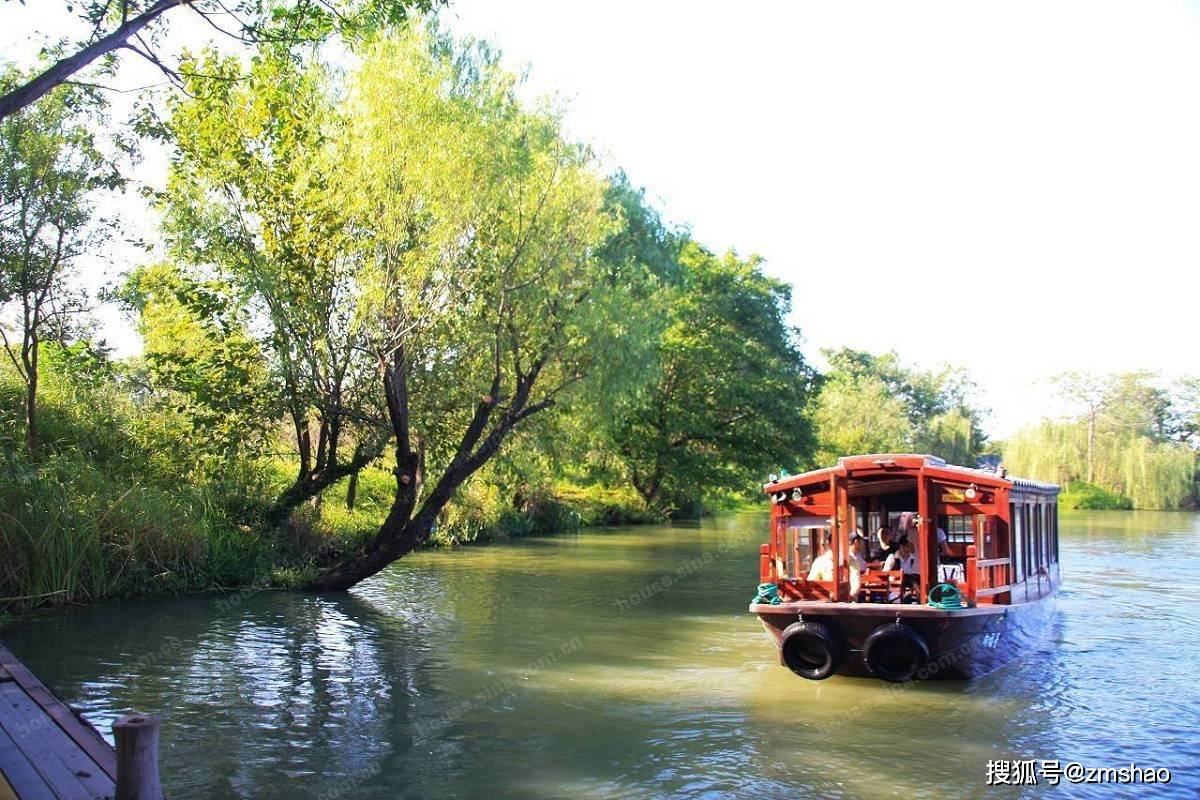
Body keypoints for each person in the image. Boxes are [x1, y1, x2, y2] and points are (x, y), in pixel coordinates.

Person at [883, 537, 921, 601]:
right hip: (896, 585)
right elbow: (885, 573)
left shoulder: (914, 558)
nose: (906, 549)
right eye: (904, 546)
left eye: (908, 546)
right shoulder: (893, 557)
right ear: (900, 546)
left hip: (913, 585)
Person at [847, 531, 869, 600]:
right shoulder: (851, 557)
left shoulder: (858, 556)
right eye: (861, 541)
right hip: (851, 591)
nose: (862, 544)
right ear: (856, 542)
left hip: (858, 590)